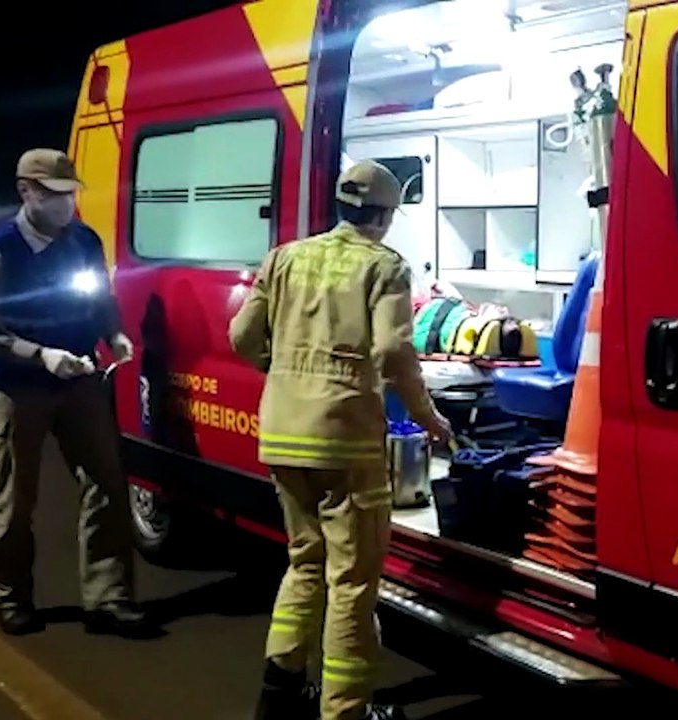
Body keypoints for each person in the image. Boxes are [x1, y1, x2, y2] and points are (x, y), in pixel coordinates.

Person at [230, 160, 452, 720]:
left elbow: (240, 337)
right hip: (345, 445)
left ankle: (277, 696)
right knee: (352, 582)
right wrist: (428, 417)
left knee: (304, 563)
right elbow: (393, 351)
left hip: (281, 433)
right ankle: (344, 711)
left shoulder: (285, 258)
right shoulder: (384, 267)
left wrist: (287, 377)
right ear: (384, 215)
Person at [0, 148, 152, 638]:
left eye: (71, 195)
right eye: (56, 196)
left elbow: (98, 295)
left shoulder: (81, 239)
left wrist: (114, 333)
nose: (67, 206)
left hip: (79, 380)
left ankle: (108, 598)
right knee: (16, 500)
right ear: (26, 192)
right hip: (16, 389)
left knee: (107, 483)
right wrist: (38, 354)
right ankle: (12, 597)